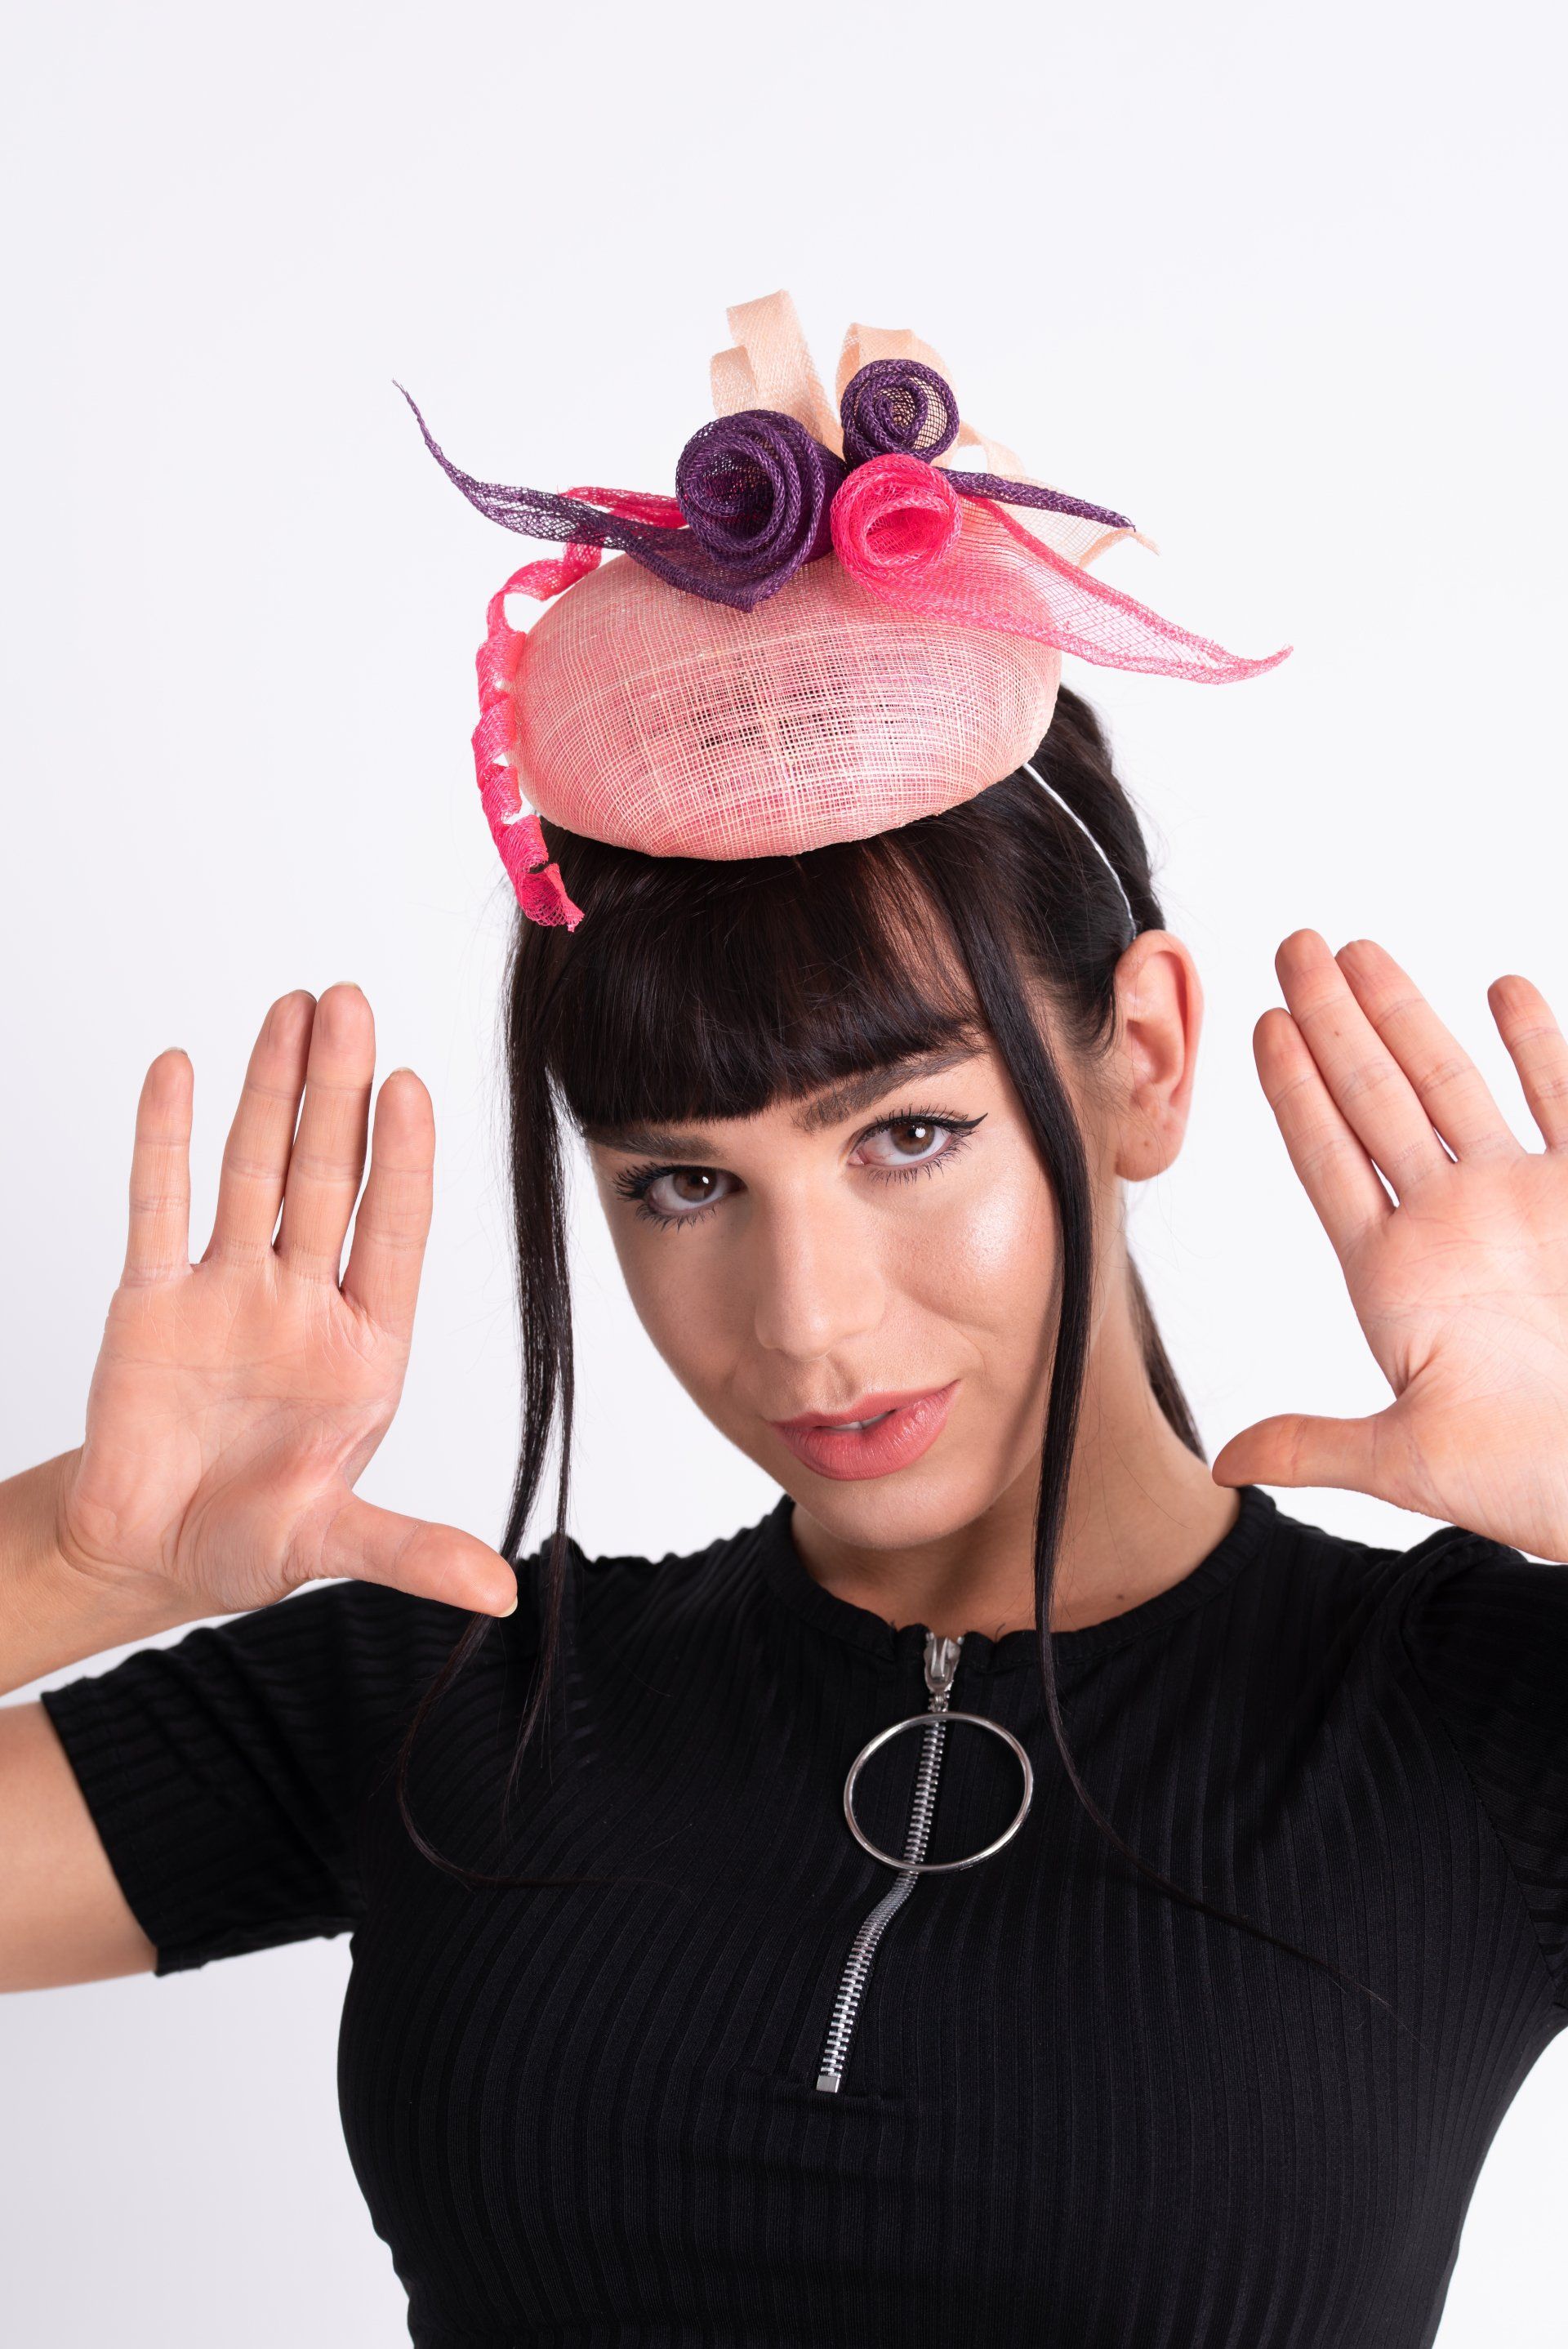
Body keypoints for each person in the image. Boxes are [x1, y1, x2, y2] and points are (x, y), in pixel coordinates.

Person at [4, 294, 1568, 2349]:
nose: (809, 1322)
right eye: (682, 1180)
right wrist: (75, 1557)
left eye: (908, 1133)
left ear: (1143, 1060)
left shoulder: (1474, 1723)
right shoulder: (459, 1690)